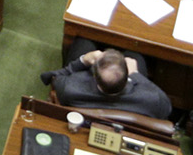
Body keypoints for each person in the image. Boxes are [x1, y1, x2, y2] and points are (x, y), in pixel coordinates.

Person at [43, 45, 172, 120]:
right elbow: (166, 108)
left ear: (94, 75)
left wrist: (83, 61)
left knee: (83, 43)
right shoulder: (154, 100)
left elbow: (50, 77)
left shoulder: (69, 88)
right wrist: (136, 75)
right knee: (135, 53)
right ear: (127, 74)